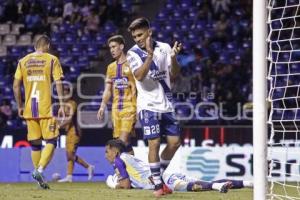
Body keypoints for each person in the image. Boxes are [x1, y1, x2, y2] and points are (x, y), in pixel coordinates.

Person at [126, 17, 182, 197]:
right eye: (135, 36)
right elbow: (140, 76)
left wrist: (173, 58)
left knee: (175, 143)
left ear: (149, 32)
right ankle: (158, 187)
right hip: (148, 105)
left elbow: (174, 75)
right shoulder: (132, 53)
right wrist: (149, 55)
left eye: (140, 35)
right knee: (155, 143)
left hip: (166, 104)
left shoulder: (165, 48)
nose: (137, 39)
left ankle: (156, 177)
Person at [13, 35, 65, 189]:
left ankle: (39, 179)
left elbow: (16, 86)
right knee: (51, 141)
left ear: (35, 46)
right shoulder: (51, 59)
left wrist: (20, 105)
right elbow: (59, 82)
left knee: (35, 145)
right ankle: (40, 170)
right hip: (45, 108)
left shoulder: (23, 61)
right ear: (47, 45)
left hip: (30, 109)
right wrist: (62, 103)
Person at [105, 139, 253, 193]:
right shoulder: (128, 157)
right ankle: (248, 183)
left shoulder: (118, 160)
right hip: (166, 175)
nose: (106, 155)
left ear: (115, 151)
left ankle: (217, 187)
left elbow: (125, 185)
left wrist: (113, 184)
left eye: (107, 151)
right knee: (207, 183)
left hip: (163, 180)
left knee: (192, 187)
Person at [97, 35, 136, 155]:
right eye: (110, 48)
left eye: (114, 47)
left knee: (120, 143)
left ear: (121, 46)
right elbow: (108, 90)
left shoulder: (132, 64)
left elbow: (138, 87)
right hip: (115, 109)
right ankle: (135, 171)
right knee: (125, 143)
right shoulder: (111, 68)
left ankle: (120, 173)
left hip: (129, 107)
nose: (112, 50)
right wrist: (102, 106)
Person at [58, 85, 95, 182]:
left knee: (70, 154)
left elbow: (69, 119)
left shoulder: (72, 104)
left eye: (66, 92)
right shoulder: (63, 105)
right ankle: (69, 176)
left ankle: (88, 167)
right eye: (63, 92)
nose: (64, 94)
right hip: (68, 131)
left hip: (75, 131)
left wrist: (58, 126)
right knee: (69, 155)